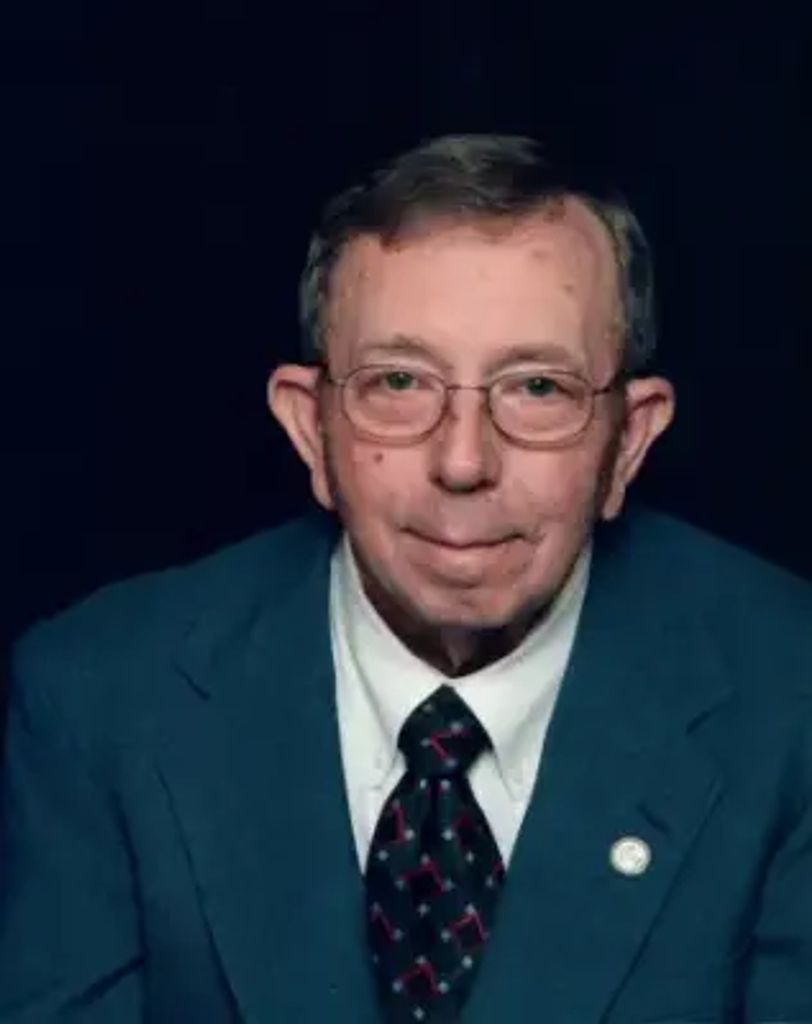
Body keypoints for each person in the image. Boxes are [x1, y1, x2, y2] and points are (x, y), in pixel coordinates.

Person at [1, 134, 810, 1023]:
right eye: (398, 381)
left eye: (538, 388)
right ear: (311, 429)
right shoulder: (102, 699)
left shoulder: (789, 698)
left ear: (629, 440)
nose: (463, 462)